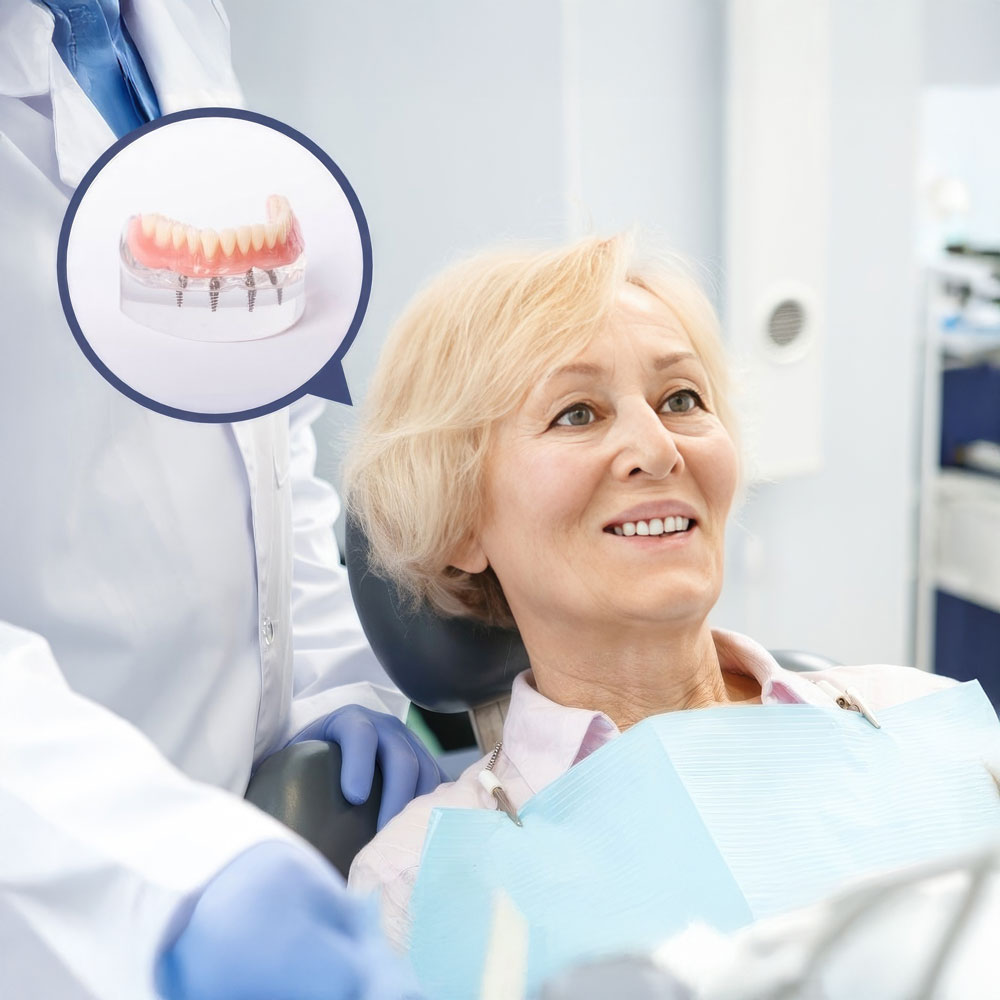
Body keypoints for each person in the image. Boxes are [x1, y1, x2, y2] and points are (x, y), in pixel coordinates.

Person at [344, 233, 959, 949]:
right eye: (578, 413)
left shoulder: (919, 715)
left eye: (682, 398)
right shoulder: (424, 882)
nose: (660, 449)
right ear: (459, 522)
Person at [0, 1, 436, 996]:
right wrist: (182, 881)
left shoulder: (168, 27)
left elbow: (254, 415)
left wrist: (329, 678)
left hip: (232, 821)